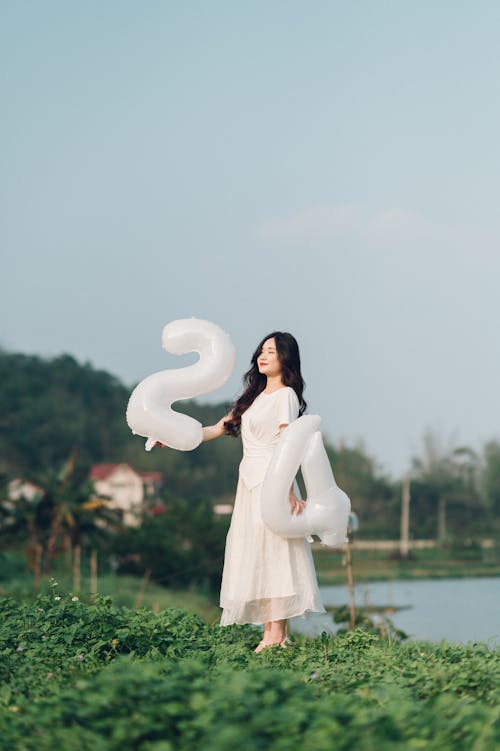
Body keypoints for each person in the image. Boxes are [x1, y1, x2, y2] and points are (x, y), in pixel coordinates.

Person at [202, 331, 325, 652]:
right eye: (261, 350)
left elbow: (288, 446)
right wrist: (172, 436)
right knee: (257, 552)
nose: (263, 355)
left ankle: (275, 636)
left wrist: (285, 492)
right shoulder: (253, 397)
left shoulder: (285, 395)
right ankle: (273, 636)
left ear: (286, 358)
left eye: (271, 351)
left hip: (274, 482)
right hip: (249, 483)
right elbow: (217, 428)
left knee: (276, 554)